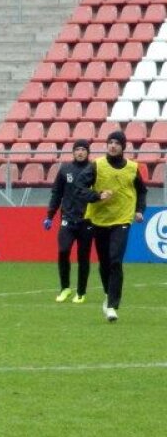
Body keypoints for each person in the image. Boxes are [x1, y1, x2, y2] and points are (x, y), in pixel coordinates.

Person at [79, 129, 146, 322]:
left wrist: (140, 209)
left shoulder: (133, 168)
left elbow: (141, 192)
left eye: (117, 143)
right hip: (99, 220)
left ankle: (112, 306)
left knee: (115, 260)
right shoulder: (96, 166)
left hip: (122, 220)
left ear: (123, 146)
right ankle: (109, 294)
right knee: (105, 262)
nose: (113, 145)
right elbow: (79, 188)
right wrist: (97, 196)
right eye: (110, 142)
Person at [44, 138, 93, 303]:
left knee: (83, 257)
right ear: (73, 152)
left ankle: (81, 292)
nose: (80, 152)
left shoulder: (94, 169)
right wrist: (50, 215)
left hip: (87, 220)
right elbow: (56, 193)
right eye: (77, 149)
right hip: (67, 219)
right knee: (63, 251)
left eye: (83, 149)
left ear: (88, 152)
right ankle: (65, 288)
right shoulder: (65, 169)